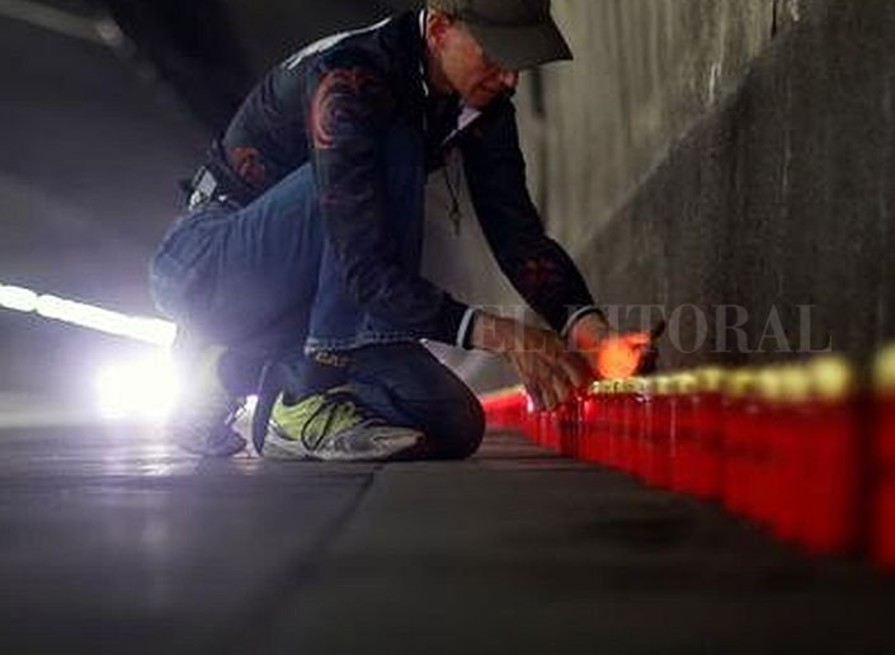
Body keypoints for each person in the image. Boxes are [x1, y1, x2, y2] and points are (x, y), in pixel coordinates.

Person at [149, 0, 650, 461]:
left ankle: (232, 374)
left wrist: (589, 331)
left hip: (319, 297)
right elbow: (365, 268)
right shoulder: (350, 81)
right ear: (439, 28)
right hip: (209, 267)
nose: (511, 78)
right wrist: (506, 337)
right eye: (497, 55)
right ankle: (306, 397)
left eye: (519, 62)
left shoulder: (482, 105)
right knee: (395, 142)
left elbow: (517, 234)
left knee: (452, 424)